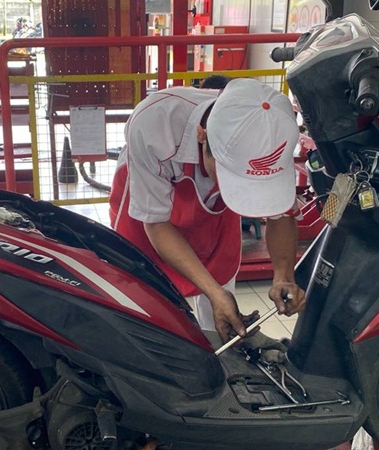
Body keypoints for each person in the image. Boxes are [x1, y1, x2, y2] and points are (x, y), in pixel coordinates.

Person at [109, 78, 306, 343]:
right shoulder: (154, 125)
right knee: (146, 304)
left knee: (219, 304)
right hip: (150, 206)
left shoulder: (271, 129)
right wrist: (214, 292)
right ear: (202, 135)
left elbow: (280, 214)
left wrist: (283, 275)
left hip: (211, 215)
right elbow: (155, 223)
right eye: (230, 176)